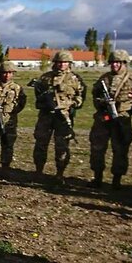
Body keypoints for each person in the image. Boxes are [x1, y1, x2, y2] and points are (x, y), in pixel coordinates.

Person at [88, 49, 132, 188]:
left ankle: (117, 180)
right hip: (103, 119)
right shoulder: (104, 78)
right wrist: (102, 105)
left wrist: (128, 111)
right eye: (113, 62)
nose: (114, 65)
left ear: (124, 63)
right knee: (97, 148)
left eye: (118, 62)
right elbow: (95, 95)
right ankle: (97, 177)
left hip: (122, 119)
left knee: (120, 149)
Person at [31, 50, 87, 182]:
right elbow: (38, 96)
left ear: (69, 64)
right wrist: (45, 102)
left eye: (65, 62)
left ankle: (59, 173)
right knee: (40, 144)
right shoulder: (45, 78)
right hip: (46, 116)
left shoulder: (75, 79)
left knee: (62, 146)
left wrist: (72, 103)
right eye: (59, 62)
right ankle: (38, 171)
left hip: (63, 117)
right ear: (54, 63)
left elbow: (81, 97)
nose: (62, 65)